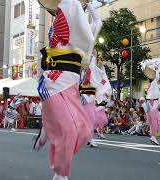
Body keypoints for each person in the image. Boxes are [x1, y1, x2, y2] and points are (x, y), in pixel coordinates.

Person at [34, 1, 101, 179]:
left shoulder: (72, 14)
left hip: (71, 82)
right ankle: (60, 173)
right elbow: (88, 36)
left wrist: (93, 13)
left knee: (85, 131)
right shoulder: (68, 10)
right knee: (70, 130)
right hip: (54, 80)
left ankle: (48, 127)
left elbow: (90, 32)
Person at [144, 66, 160, 145]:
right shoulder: (153, 83)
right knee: (158, 121)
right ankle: (153, 136)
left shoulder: (152, 85)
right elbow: (157, 77)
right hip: (152, 103)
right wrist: (157, 70)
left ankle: (153, 135)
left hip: (152, 103)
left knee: (156, 121)